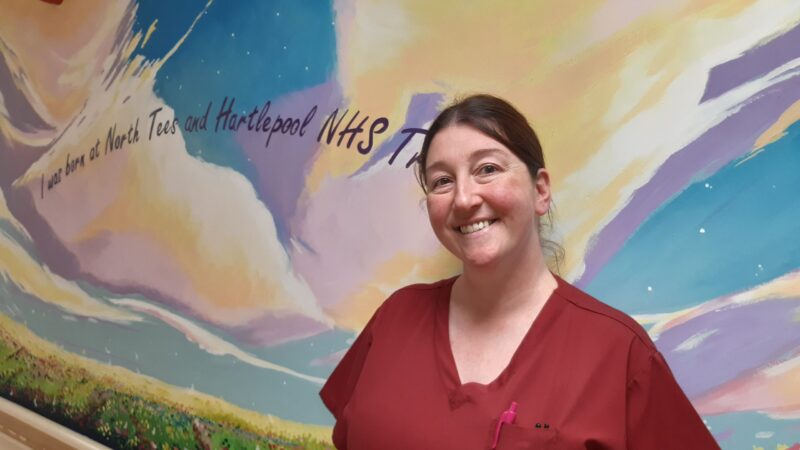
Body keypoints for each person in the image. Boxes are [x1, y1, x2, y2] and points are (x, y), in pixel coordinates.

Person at [320, 94, 720, 449]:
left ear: (540, 191)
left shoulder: (620, 354)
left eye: (487, 169)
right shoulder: (395, 318)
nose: (463, 198)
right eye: (442, 181)